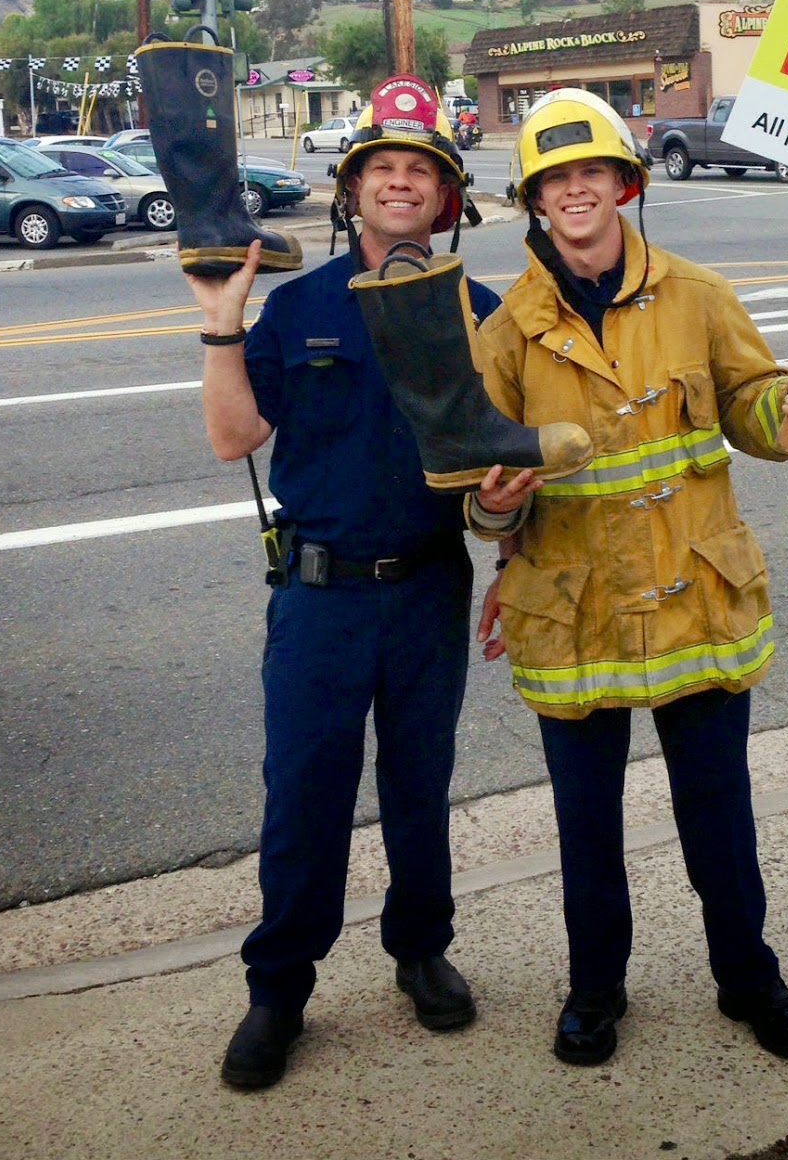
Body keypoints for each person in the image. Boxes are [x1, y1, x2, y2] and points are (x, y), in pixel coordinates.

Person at [470, 89, 788, 1068]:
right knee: (585, 829)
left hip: (697, 601)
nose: (575, 191)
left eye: (591, 171)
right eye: (555, 179)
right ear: (535, 200)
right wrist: (499, 500)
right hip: (575, 618)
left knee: (716, 812)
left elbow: (755, 415)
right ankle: (594, 990)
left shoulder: (698, 295)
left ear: (624, 184)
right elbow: (474, 498)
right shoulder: (505, 332)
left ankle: (748, 978)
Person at [187, 74, 500, 1092]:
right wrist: (222, 328)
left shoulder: (482, 314)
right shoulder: (297, 305)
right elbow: (235, 435)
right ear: (353, 191)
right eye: (383, 169)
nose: (401, 183)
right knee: (305, 797)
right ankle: (278, 987)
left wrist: (515, 559)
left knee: (419, 786)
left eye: (421, 171)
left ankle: (419, 949)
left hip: (425, 588)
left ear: (446, 200)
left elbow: (508, 469)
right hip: (317, 596)